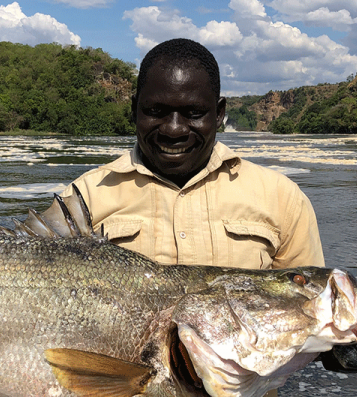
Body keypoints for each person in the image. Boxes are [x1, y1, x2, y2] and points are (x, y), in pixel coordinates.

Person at [59, 38, 325, 396]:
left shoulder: (281, 198)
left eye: (193, 113)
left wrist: (343, 350)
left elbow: (310, 318)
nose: (173, 129)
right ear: (134, 109)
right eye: (155, 110)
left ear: (220, 112)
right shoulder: (82, 200)